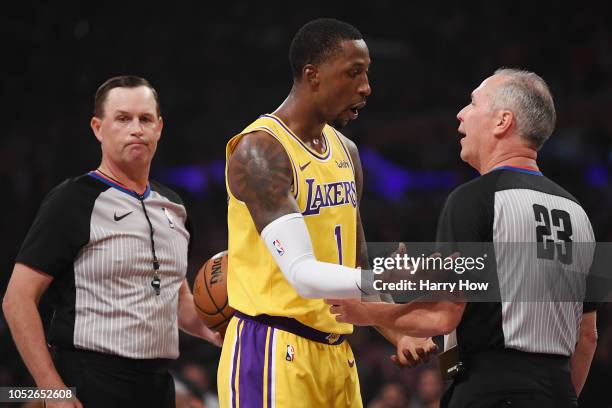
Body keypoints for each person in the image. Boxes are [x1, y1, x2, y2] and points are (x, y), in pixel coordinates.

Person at [328, 68, 598, 407]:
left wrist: (365, 313)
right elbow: (587, 336)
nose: (461, 114)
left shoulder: (474, 199)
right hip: (558, 392)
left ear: (502, 121)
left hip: (489, 391)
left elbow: (443, 315)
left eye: (472, 103)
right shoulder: (578, 213)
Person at [217, 18, 435, 407]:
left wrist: (398, 329)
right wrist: (382, 277)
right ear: (312, 75)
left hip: (336, 353)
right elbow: (303, 274)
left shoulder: (347, 153)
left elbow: (356, 262)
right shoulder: (260, 151)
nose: (366, 88)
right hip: (272, 347)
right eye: (354, 73)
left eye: (366, 74)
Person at [2, 75, 221, 408]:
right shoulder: (72, 201)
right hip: (89, 381)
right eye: (123, 118)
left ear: (159, 128)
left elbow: (176, 299)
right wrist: (52, 390)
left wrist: (215, 329)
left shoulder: (175, 205)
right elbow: (17, 300)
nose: (136, 128)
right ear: (98, 127)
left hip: (159, 384)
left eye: (145, 119)